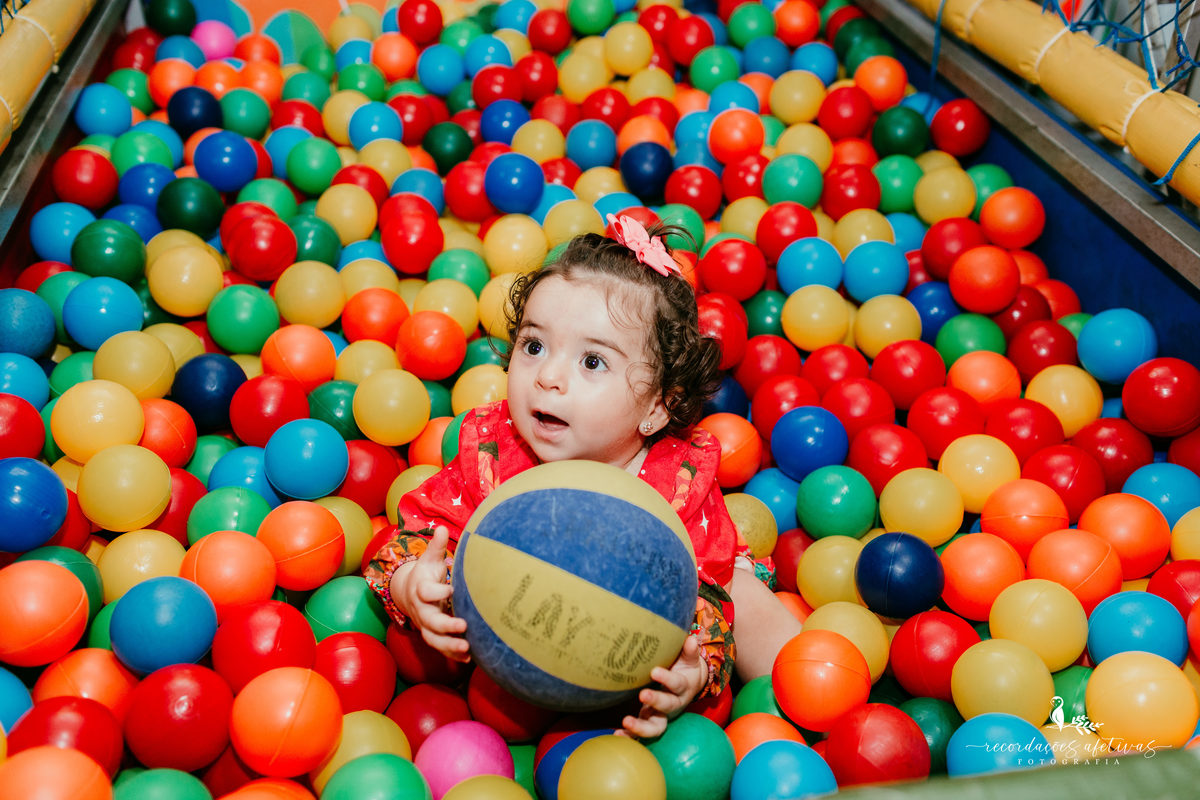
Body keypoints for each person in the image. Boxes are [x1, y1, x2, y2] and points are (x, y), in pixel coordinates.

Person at [364, 214, 803, 738]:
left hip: (640, 627)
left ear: (658, 409)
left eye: (593, 362)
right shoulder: (496, 450)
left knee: (745, 599)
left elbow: (707, 597)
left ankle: (813, 709)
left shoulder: (674, 481)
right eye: (534, 346)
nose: (548, 377)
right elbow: (417, 535)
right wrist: (415, 583)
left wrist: (695, 666)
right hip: (518, 623)